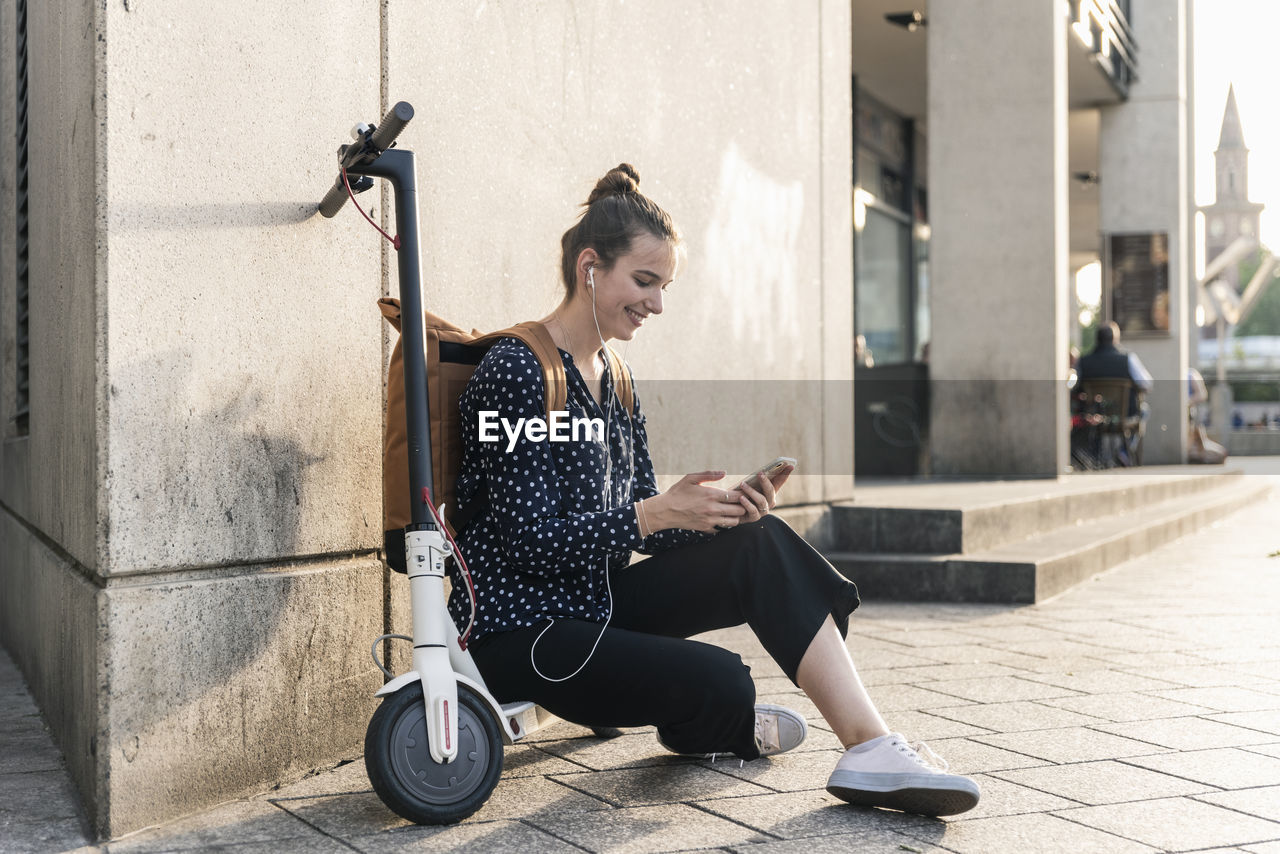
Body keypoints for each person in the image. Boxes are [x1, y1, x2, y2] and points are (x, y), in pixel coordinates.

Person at [447, 164, 980, 817]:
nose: (658, 304)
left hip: (594, 604)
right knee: (723, 680)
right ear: (590, 267)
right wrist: (651, 514)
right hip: (523, 631)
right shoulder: (517, 372)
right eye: (644, 282)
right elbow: (528, 546)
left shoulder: (616, 379)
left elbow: (639, 521)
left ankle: (870, 746)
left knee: (759, 544)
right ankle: (715, 719)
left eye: (665, 286)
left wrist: (711, 515)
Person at [1077, 322, 1153, 464]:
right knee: (1144, 411)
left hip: (1094, 415)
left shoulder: (1083, 361)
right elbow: (1147, 383)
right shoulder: (1127, 359)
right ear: (1115, 339)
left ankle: (1094, 455)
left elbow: (1075, 386)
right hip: (1124, 415)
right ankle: (1124, 450)